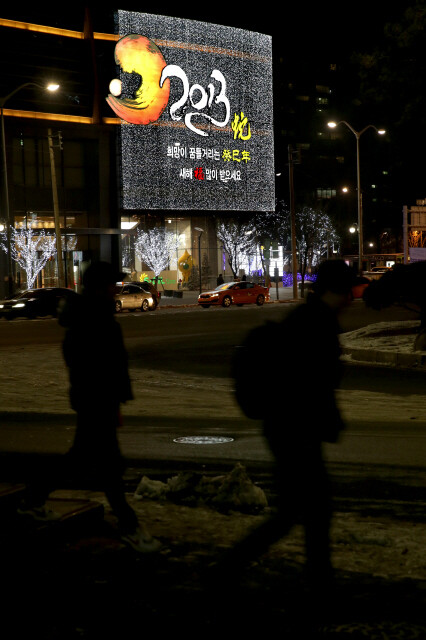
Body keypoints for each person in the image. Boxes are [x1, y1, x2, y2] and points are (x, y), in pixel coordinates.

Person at [209, 259, 354, 596]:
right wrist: (325, 420)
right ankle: (315, 583)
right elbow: (309, 383)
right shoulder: (315, 323)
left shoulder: (312, 318)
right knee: (306, 512)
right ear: (339, 290)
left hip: (290, 428)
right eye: (348, 289)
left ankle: (315, 580)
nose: (352, 296)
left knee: (301, 512)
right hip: (294, 431)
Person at [18, 261, 160, 554]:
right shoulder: (92, 321)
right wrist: (109, 398)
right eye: (111, 284)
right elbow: (95, 366)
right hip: (97, 402)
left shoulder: (94, 317)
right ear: (98, 288)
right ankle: (130, 527)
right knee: (108, 468)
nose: (115, 288)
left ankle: (32, 500)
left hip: (99, 401)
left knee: (81, 460)